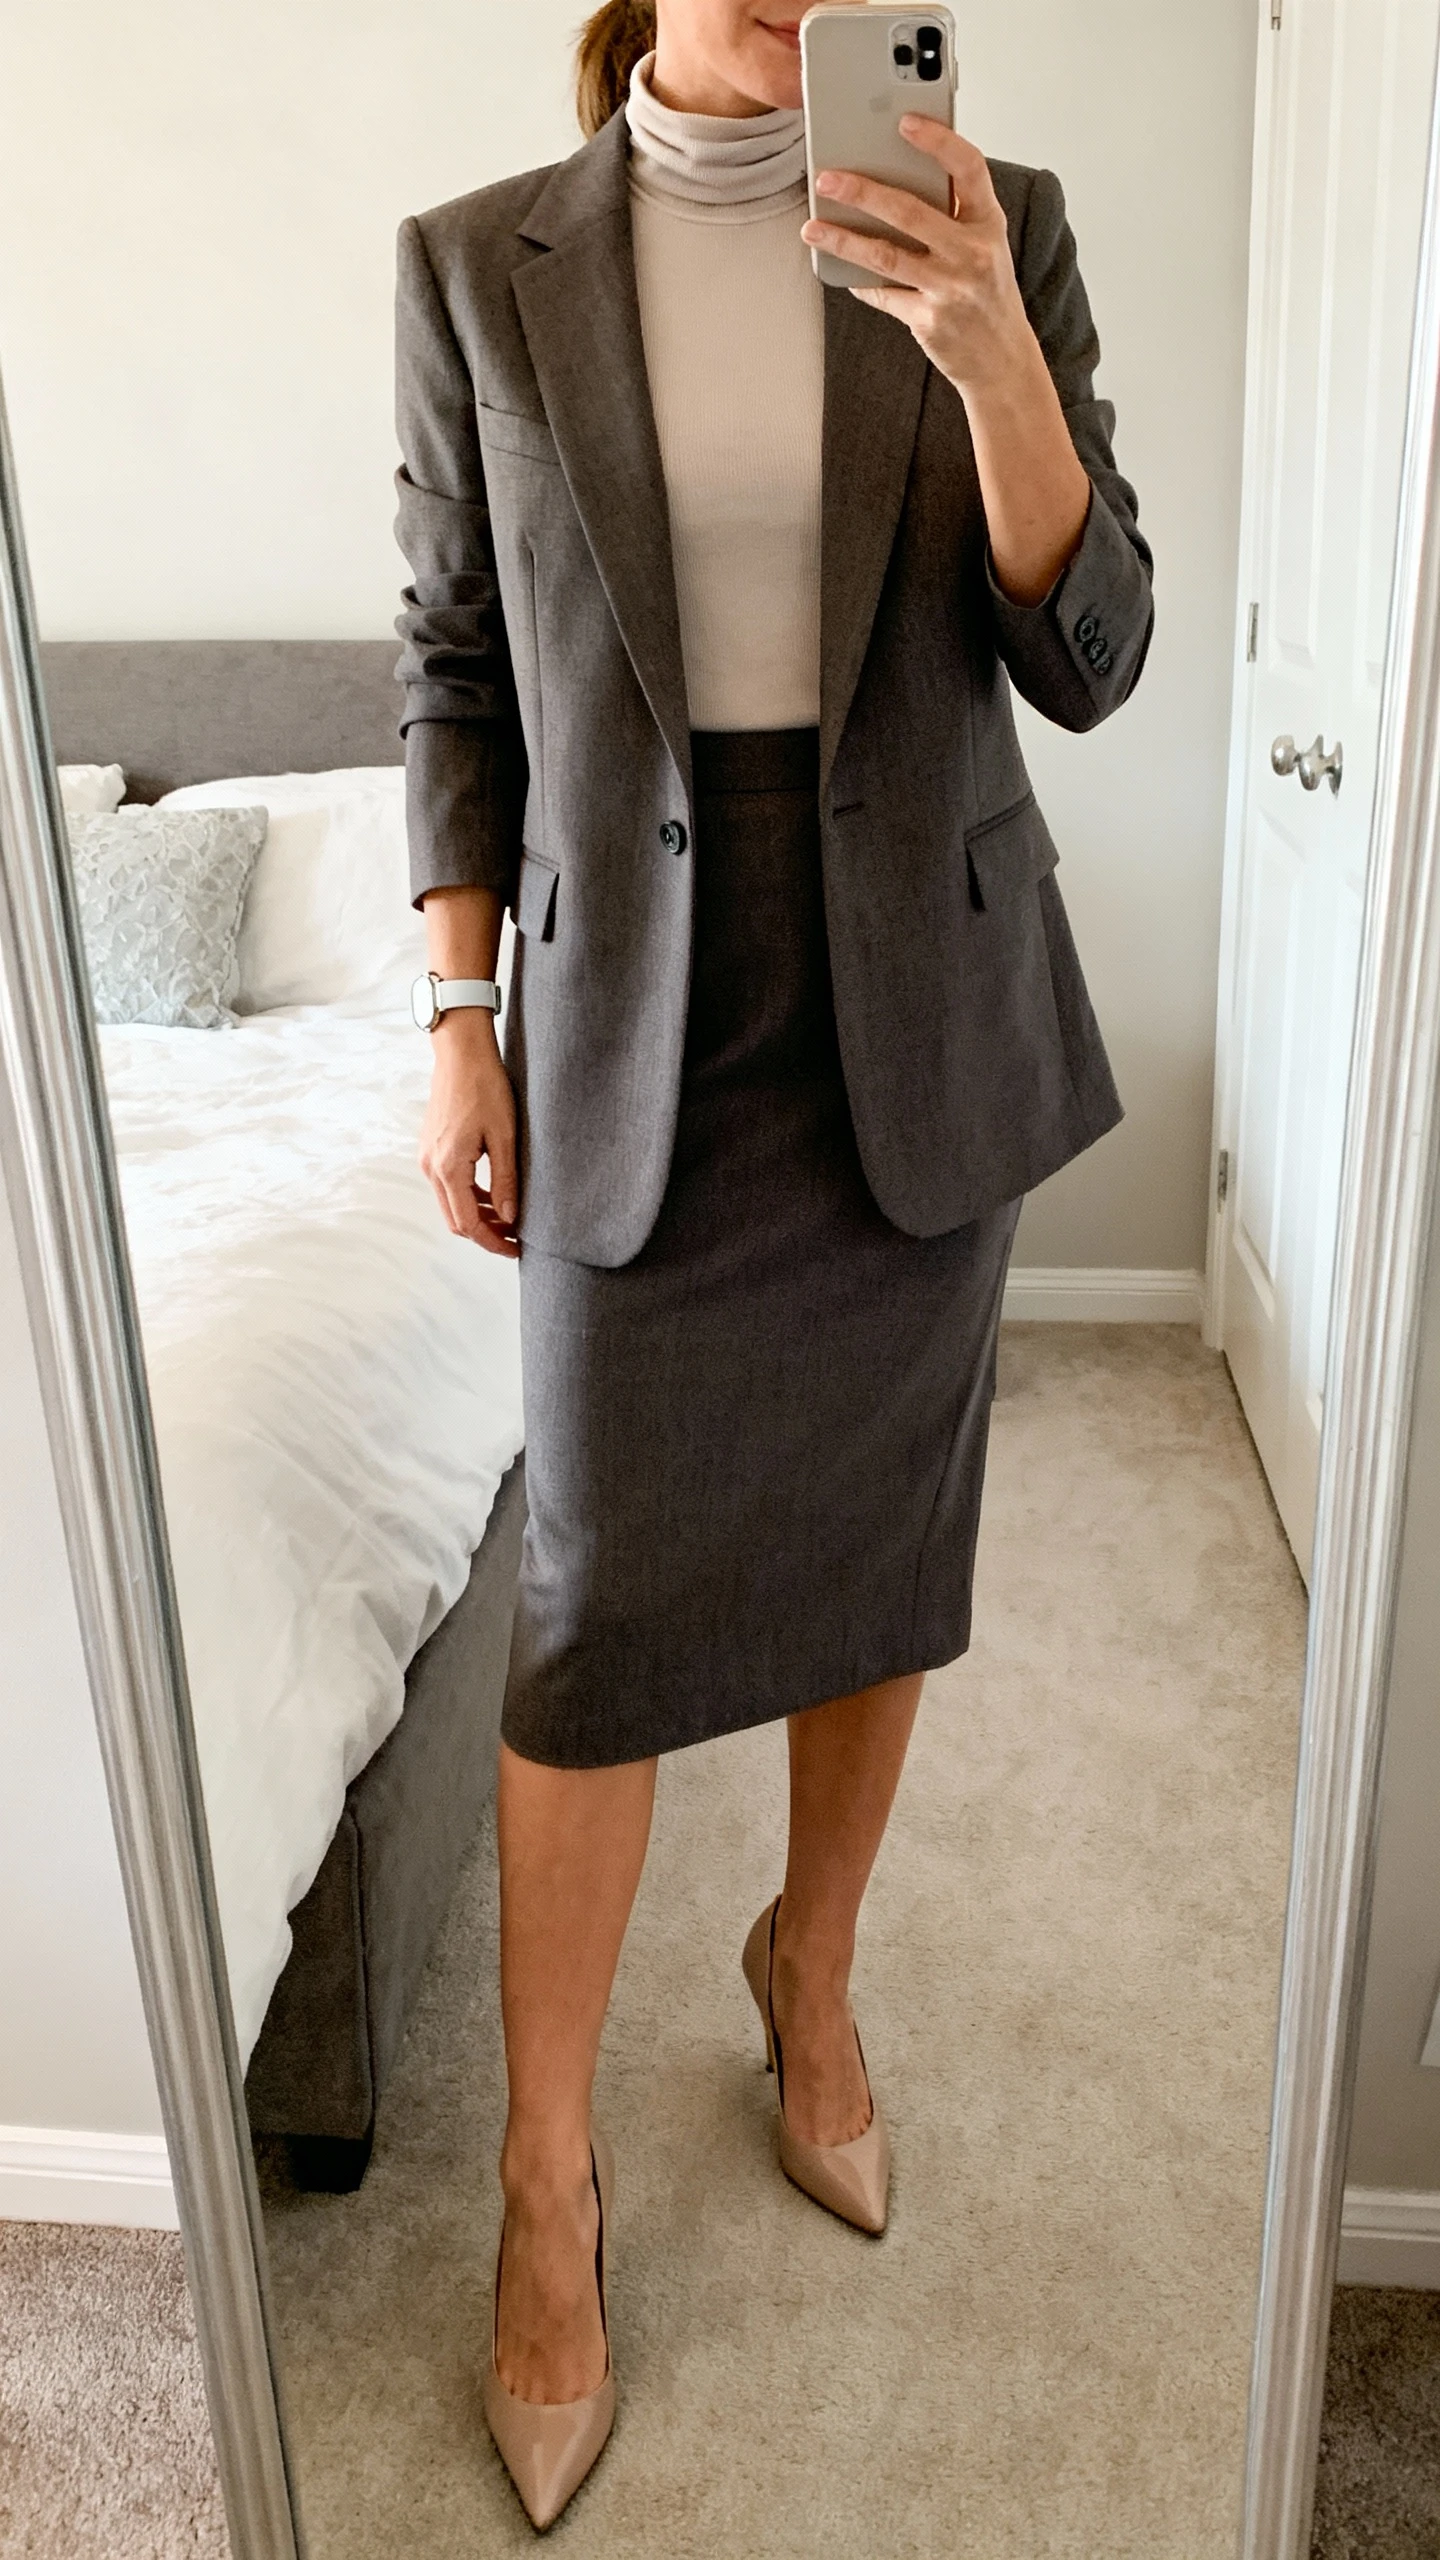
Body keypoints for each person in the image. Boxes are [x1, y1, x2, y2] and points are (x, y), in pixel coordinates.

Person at [394, 0, 1152, 2525]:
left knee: (874, 1568)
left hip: (909, 1018)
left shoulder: (994, 221)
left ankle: (807, 1975)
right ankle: (544, 2182)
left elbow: (1095, 647)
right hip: (622, 1022)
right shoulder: (478, 267)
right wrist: (451, 1009)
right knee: (594, 1624)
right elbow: (453, 666)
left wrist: (994, 366)